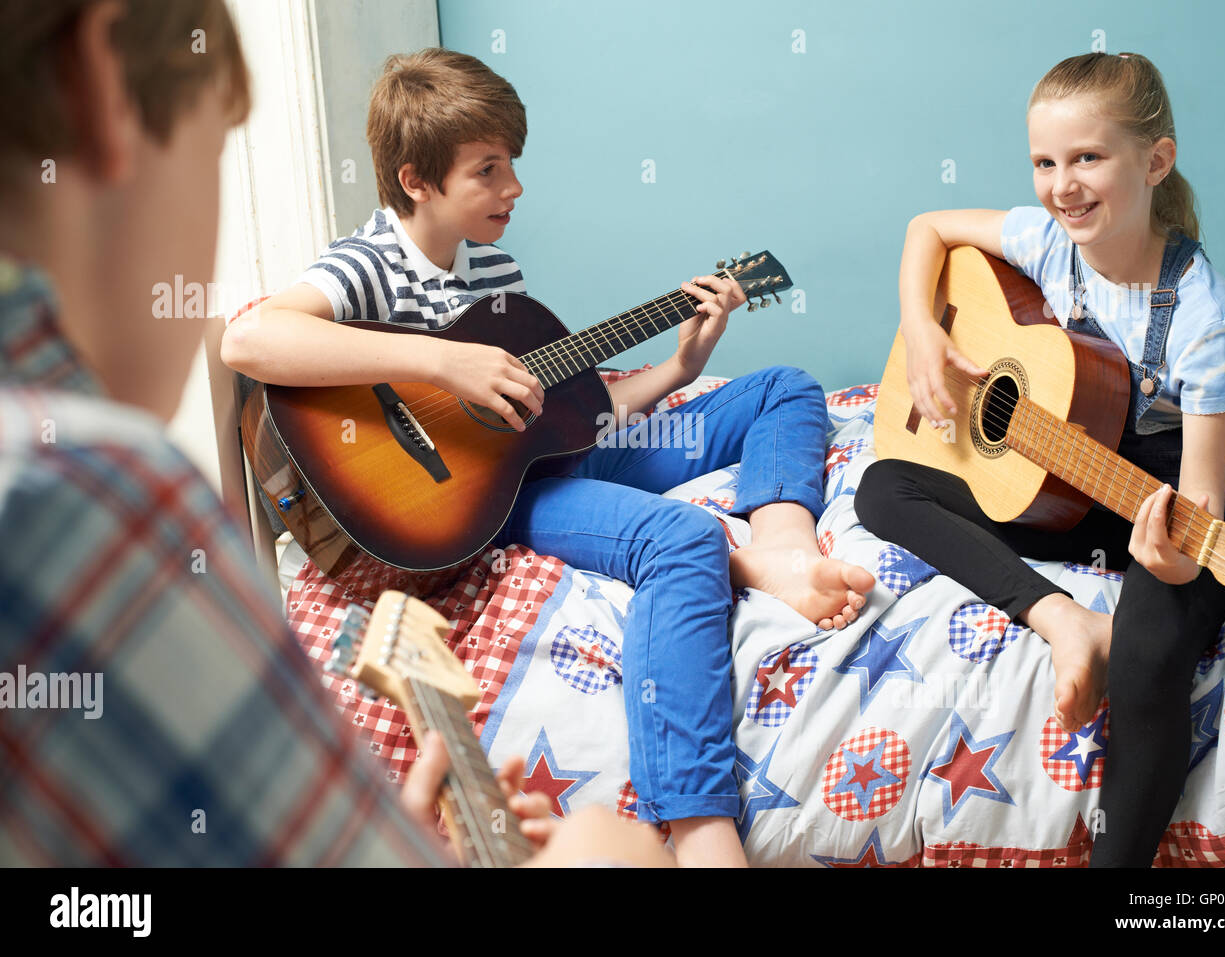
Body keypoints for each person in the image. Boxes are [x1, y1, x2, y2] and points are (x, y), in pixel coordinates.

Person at [0, 0, 672, 868]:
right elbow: (249, 336)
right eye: (214, 156)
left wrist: (396, 818)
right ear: (105, 87)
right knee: (606, 844)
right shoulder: (76, 487)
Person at [221, 47, 875, 866]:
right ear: (417, 179)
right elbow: (251, 338)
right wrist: (440, 362)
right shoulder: (369, 263)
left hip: (543, 460)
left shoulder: (492, 266)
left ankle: (779, 546)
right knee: (684, 539)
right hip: (477, 502)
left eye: (512, 166)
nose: (514, 189)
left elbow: (562, 416)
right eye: (488, 170)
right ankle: (700, 825)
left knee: (782, 386)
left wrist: (680, 368)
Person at [854, 51, 1225, 867]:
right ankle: (1064, 620)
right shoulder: (1048, 241)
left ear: (1156, 161)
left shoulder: (1207, 322)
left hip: (1187, 483)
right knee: (883, 485)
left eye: (1088, 157)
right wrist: (923, 331)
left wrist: (1174, 561)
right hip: (1079, 458)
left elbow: (1200, 503)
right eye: (1045, 162)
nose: (1062, 184)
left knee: (1151, 648)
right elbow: (928, 228)